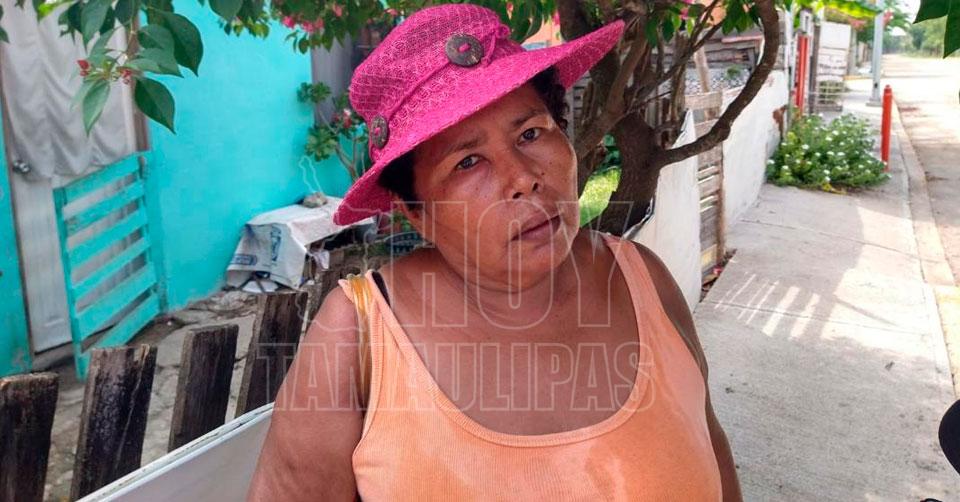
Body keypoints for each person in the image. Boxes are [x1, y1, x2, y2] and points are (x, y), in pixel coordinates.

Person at [248, 4, 741, 500]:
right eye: (467, 162)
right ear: (417, 213)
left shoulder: (643, 279)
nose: (523, 177)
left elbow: (716, 459)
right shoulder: (356, 336)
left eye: (531, 133)